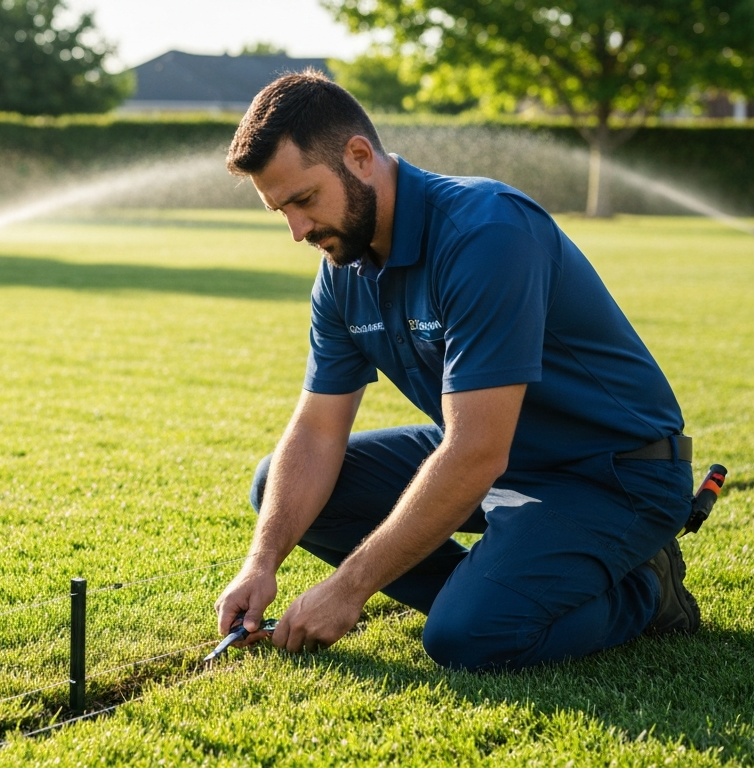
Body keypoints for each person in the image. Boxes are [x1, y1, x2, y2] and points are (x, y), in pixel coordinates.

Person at [214, 71, 700, 671]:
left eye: (305, 200)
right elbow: (317, 431)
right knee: (277, 489)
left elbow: (475, 451)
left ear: (360, 158)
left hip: (613, 473)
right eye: (279, 210)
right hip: (498, 455)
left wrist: (348, 588)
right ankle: (500, 585)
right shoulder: (341, 269)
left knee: (467, 638)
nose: (297, 230)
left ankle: (646, 591)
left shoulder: (486, 232)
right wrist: (260, 564)